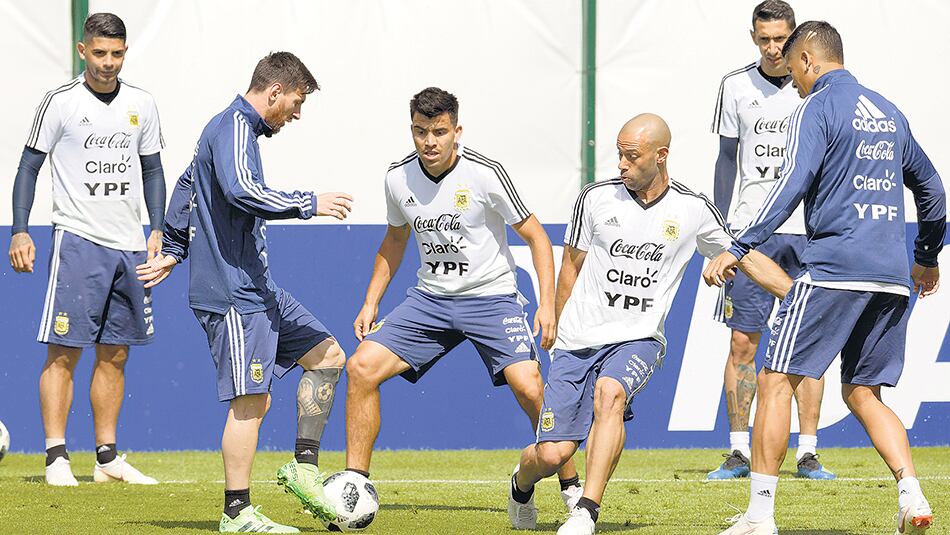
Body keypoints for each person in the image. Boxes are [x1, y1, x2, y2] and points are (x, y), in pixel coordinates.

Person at [707, 21, 944, 535]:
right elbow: (932, 189)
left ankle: (759, 517)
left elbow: (789, 184)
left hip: (835, 269)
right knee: (863, 393)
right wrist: (925, 256)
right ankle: (912, 495)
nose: (793, 81)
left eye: (794, 70)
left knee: (774, 381)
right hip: (889, 277)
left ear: (810, 59)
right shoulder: (888, 110)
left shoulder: (817, 107)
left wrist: (740, 243)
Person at [507, 114, 794, 535]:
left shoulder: (693, 208)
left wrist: (795, 296)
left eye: (631, 156)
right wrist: (555, 319)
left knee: (611, 394)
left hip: (639, 338)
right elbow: (571, 265)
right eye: (619, 154)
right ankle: (520, 484)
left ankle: (586, 510)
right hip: (578, 339)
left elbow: (745, 256)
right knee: (552, 455)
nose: (621, 164)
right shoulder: (595, 199)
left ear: (661, 157)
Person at [136, 52, 354, 533]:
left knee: (329, 356)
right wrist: (308, 203)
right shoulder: (234, 125)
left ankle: (304, 467)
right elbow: (241, 191)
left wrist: (173, 245)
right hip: (232, 294)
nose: (296, 114)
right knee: (250, 401)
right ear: (274, 92)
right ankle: (236, 512)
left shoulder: (233, 131)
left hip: (259, 287)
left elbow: (189, 181)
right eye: (296, 103)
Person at [344, 87, 582, 521]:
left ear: (457, 130)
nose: (429, 142)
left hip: (492, 299)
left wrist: (547, 307)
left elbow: (538, 237)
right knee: (360, 367)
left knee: (530, 387)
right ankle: (354, 486)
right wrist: (370, 301)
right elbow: (395, 240)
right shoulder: (397, 177)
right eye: (420, 132)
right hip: (430, 301)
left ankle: (569, 486)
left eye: (438, 132)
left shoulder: (485, 173)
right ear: (411, 130)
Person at [9, 12, 165, 486]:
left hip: (131, 247)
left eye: (117, 54)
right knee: (64, 351)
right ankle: (57, 456)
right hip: (77, 241)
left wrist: (156, 228)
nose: (108, 63)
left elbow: (154, 170)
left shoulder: (142, 103)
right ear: (83, 51)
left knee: (116, 354)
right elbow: (28, 168)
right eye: (99, 53)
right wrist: (20, 229)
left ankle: (107, 458)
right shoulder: (59, 102)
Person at [708, 0, 833, 481]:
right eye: (765, 38)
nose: (774, 47)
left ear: (795, 37)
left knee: (810, 341)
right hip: (750, 234)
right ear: (754, 37)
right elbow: (725, 159)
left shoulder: (816, 89)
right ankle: (738, 450)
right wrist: (724, 231)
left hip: (809, 232)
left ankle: (808, 452)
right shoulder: (734, 86)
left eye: (782, 38)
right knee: (744, 342)